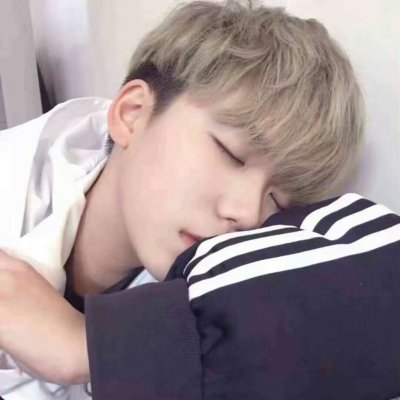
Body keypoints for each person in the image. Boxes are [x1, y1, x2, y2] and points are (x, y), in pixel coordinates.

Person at [0, 0, 366, 398]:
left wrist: (89, 348)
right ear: (132, 113)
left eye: (277, 200)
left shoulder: (218, 306)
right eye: (231, 154)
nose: (247, 214)